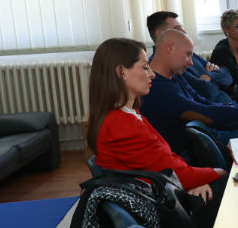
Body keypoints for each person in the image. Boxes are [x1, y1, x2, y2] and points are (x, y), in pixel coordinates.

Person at [86, 37, 226, 207]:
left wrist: (195, 179)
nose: (152, 74)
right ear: (122, 72)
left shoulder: (128, 115)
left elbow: (168, 163)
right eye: (145, 67)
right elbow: (170, 173)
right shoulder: (121, 124)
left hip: (163, 191)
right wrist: (217, 172)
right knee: (228, 183)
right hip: (157, 205)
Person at [141, 28, 238, 155]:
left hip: (210, 136)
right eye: (188, 54)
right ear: (170, 47)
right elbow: (203, 112)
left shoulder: (174, 76)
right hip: (195, 152)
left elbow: (202, 101)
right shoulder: (156, 88)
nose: (191, 62)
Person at [146, 11, 236, 103]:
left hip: (230, 105)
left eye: (182, 27)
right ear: (160, 34)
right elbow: (205, 92)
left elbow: (228, 77)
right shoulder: (168, 65)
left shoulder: (191, 55)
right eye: (177, 28)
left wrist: (209, 76)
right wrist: (215, 81)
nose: (184, 31)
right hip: (217, 108)